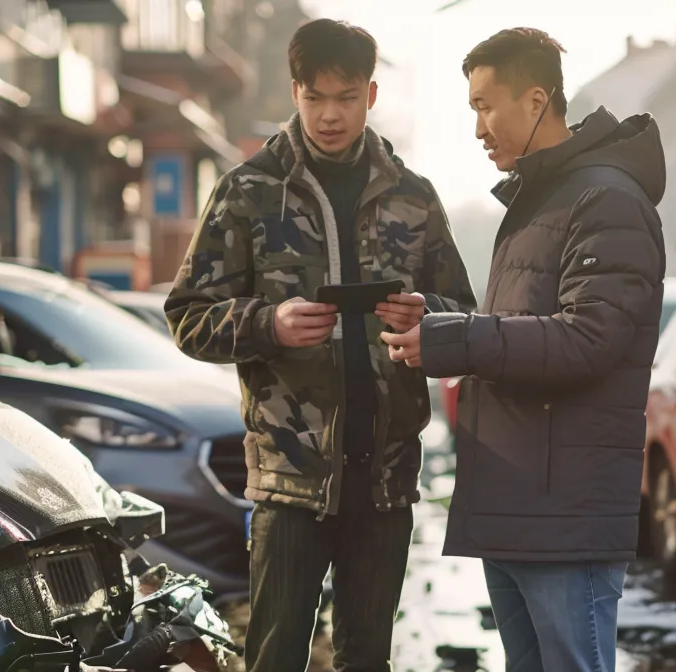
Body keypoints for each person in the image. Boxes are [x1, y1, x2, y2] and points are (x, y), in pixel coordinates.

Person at [165, 18, 475, 672]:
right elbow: (188, 315)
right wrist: (266, 325)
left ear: (371, 94)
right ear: (295, 90)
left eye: (345, 98)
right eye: (314, 98)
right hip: (288, 484)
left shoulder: (413, 199)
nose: (329, 115)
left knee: (367, 660)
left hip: (386, 483)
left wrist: (427, 315)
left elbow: (463, 314)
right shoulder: (248, 193)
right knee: (276, 656)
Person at [381, 27, 666, 672]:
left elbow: (587, 339)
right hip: (520, 504)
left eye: (487, 105)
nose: (478, 128)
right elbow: (521, 328)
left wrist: (455, 339)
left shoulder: (606, 199)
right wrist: (444, 320)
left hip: (565, 515)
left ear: (537, 102)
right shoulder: (541, 198)